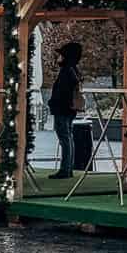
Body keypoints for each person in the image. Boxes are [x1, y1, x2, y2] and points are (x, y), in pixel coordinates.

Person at [47, 42, 83, 179]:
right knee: (68, 138)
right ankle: (68, 168)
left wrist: (52, 103)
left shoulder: (66, 71)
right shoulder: (73, 70)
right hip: (69, 109)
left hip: (62, 109)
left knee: (65, 138)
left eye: (61, 55)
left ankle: (65, 169)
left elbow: (62, 92)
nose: (58, 57)